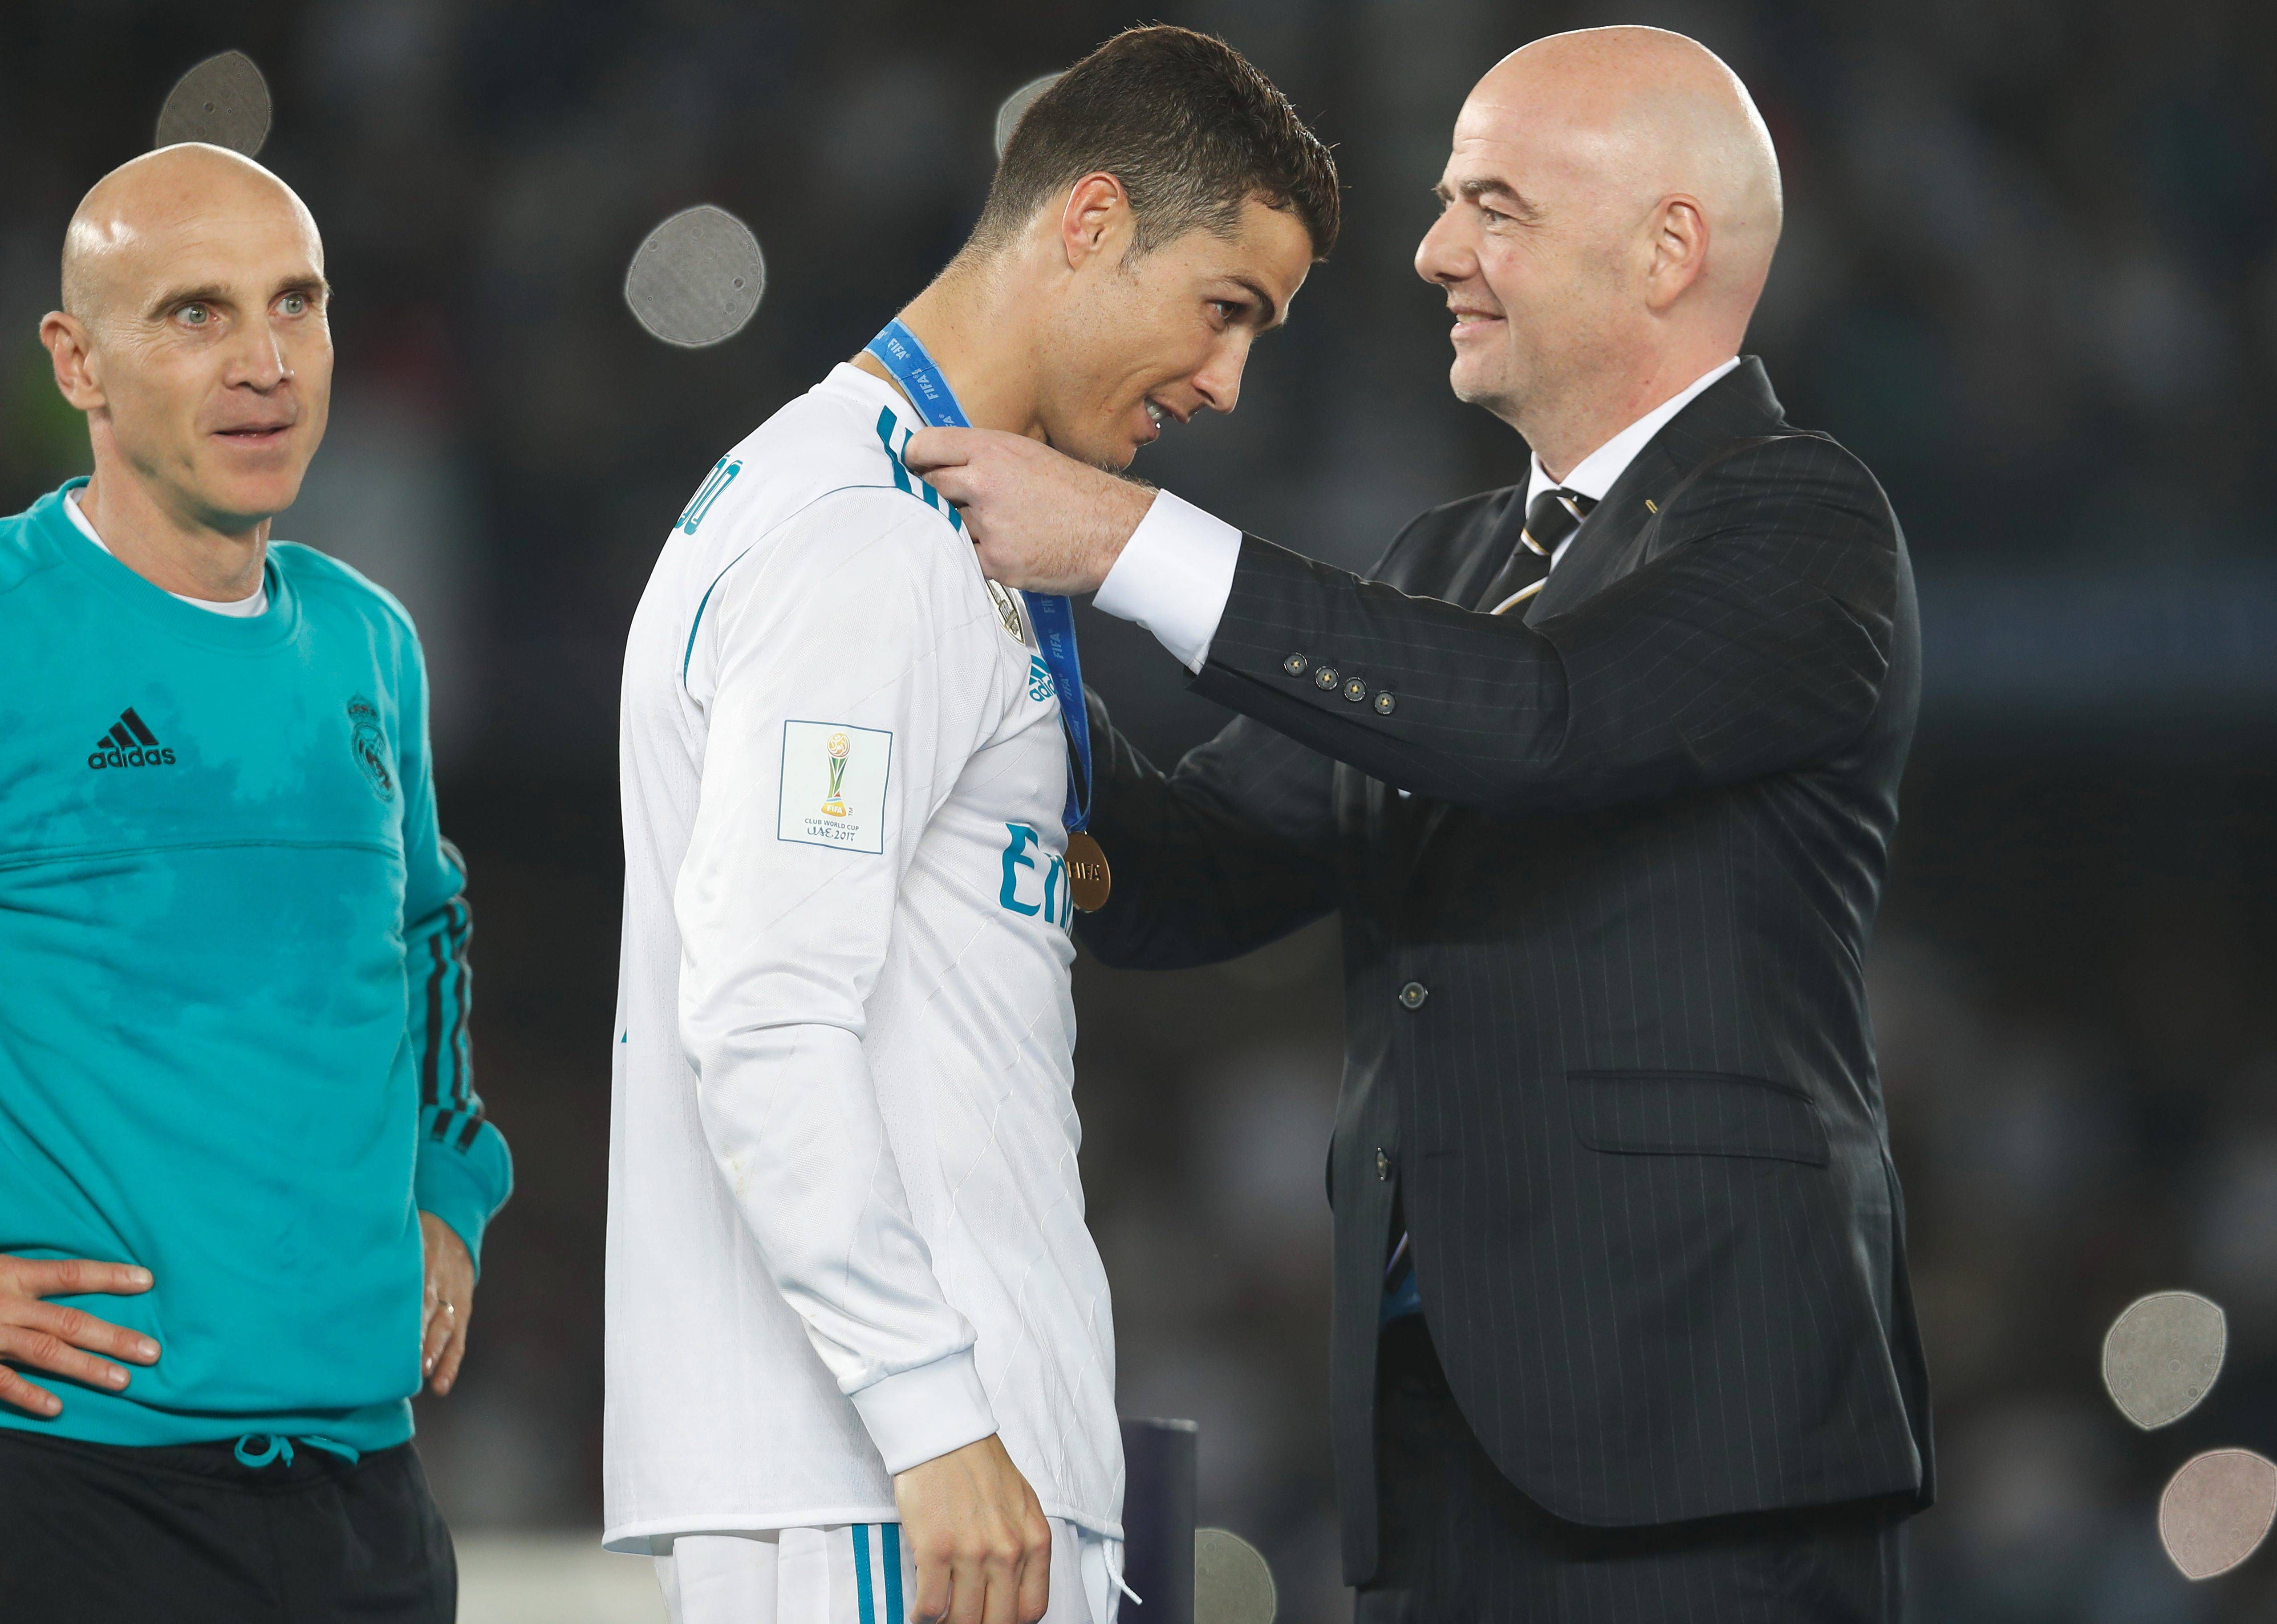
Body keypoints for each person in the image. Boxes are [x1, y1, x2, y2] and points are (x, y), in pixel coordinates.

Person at [908, 25, 1931, 1623]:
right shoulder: (1446, 565)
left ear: (1671, 247)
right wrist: (982, 654)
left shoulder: (1806, 522)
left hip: (1708, 1459)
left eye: (1495, 208)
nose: (1436, 251)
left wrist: (1128, 543)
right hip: (1432, 1454)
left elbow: (1545, 721)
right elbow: (1184, 876)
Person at [605, 26, 1335, 1624]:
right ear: (1088, 224)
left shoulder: (914, 515)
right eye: (1225, 310)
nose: (1227, 382)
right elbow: (765, 1008)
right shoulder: (860, 541)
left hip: (934, 1471)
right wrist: (935, 1416)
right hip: (887, 1488)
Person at [0, 145, 511, 1622]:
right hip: (73, 1494)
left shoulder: (371, 645)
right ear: (77, 363)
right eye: (195, 315)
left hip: (366, 1501)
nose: (266, 363)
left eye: (297, 303)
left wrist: (446, 1189)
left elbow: (425, 939)